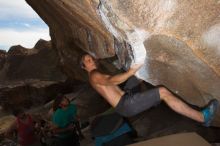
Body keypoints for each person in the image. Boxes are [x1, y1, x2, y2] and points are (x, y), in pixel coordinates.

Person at [80, 53, 219, 127]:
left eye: (90, 58)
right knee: (162, 92)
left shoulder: (94, 75)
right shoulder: (94, 75)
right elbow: (113, 81)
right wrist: (130, 71)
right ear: (84, 66)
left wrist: (133, 73)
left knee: (138, 76)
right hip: (126, 104)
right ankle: (202, 117)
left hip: (126, 97)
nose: (91, 59)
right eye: (87, 60)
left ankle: (152, 99)